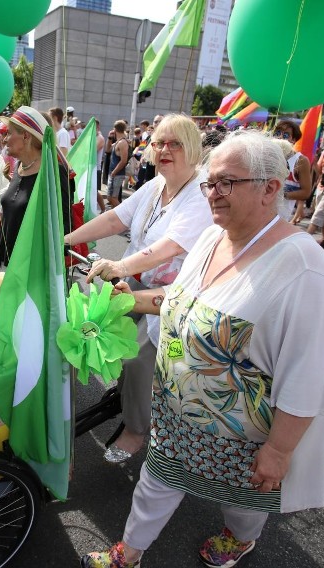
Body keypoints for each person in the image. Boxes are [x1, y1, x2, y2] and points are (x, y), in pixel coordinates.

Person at [83, 130, 324, 568]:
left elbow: (308, 378)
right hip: (174, 414)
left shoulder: (303, 271)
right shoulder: (212, 238)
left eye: (227, 183)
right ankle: (127, 554)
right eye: (210, 183)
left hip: (242, 437)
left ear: (270, 189)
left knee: (241, 503)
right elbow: (177, 301)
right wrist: (122, 300)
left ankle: (240, 540)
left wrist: (278, 453)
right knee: (156, 484)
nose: (213, 194)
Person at [64, 114, 213, 463]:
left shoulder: (201, 193)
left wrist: (120, 266)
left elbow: (172, 246)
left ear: (192, 149)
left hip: (170, 297)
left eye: (174, 143)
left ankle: (136, 429)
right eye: (159, 142)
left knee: (137, 356)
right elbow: (116, 218)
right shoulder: (155, 185)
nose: (164, 149)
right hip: (130, 283)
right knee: (84, 333)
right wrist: (65, 239)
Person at [0, 106, 71, 280]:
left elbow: (64, 227)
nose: (5, 139)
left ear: (26, 136)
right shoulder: (18, 167)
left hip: (36, 273)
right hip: (10, 266)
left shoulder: (54, 172)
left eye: (10, 133)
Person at [271, 120, 312, 223]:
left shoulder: (300, 160)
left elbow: (306, 192)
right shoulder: (266, 154)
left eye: (285, 135)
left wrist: (280, 194)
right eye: (277, 133)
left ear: (293, 140)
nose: (279, 137)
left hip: (278, 217)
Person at [106, 120, 130, 210]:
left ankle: (123, 215)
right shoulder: (118, 142)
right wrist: (109, 138)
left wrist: (114, 172)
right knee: (110, 197)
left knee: (112, 198)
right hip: (114, 173)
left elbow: (123, 161)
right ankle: (115, 217)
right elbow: (107, 149)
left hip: (117, 174)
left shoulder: (122, 142)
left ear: (115, 129)